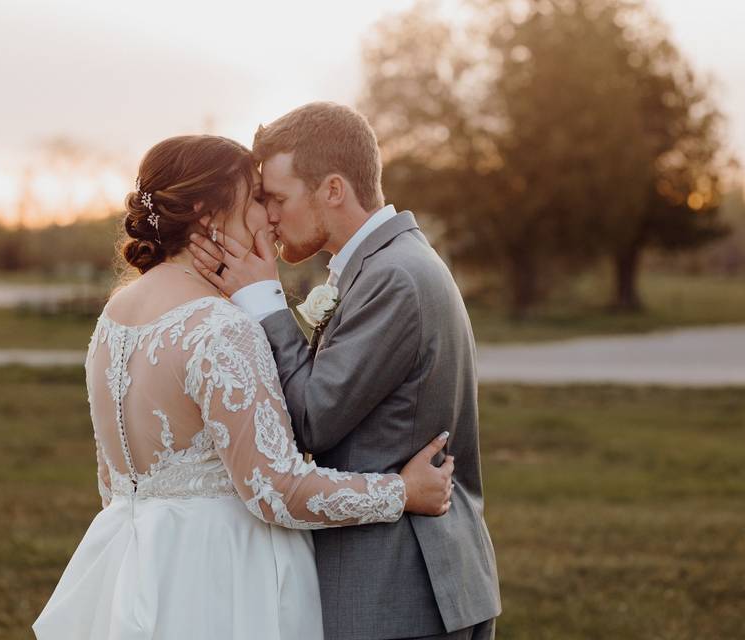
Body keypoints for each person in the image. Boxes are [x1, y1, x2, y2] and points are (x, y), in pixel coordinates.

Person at [32, 134, 454, 640]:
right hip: (226, 579)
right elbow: (277, 490)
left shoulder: (115, 317)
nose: (269, 216)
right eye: (256, 197)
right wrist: (402, 491)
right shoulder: (219, 327)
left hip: (138, 569)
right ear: (207, 212)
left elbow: (114, 478)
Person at [187, 102, 501, 640]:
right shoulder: (388, 264)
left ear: (333, 189)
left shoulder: (394, 277)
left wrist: (264, 303)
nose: (270, 217)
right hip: (405, 586)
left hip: (398, 592)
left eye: (278, 199)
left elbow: (312, 418)